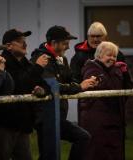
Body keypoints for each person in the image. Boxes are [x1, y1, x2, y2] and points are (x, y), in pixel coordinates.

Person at [31, 25, 98, 160]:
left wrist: (87, 82)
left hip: (57, 116)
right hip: (46, 118)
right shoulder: (40, 58)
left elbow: (71, 79)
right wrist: (79, 87)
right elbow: (53, 86)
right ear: (54, 43)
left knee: (82, 138)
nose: (68, 47)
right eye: (65, 43)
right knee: (51, 155)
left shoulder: (62, 59)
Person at [0, 29, 50, 160]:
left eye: (25, 41)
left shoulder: (26, 63)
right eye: (19, 41)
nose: (25, 44)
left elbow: (44, 85)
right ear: (8, 46)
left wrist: (41, 90)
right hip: (5, 123)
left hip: (23, 123)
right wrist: (38, 67)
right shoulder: (2, 63)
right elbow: (16, 85)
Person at [79, 41, 133, 160]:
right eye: (109, 55)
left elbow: (127, 90)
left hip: (115, 121)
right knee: (98, 153)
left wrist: (126, 73)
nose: (112, 59)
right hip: (98, 123)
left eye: (114, 56)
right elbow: (103, 86)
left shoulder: (116, 70)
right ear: (99, 55)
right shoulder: (91, 68)